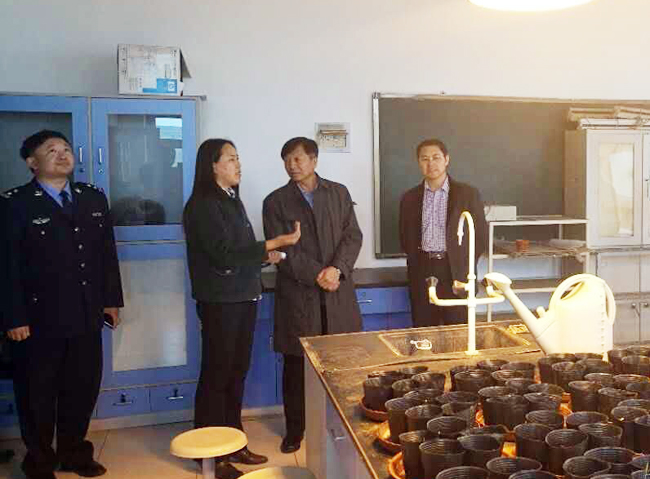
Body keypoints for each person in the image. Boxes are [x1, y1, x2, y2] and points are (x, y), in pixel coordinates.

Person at [1, 130, 124, 479]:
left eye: (66, 149)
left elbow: (106, 254)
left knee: (81, 388)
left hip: (86, 313)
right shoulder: (15, 203)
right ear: (32, 162)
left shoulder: (92, 197)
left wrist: (112, 301)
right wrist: (13, 316)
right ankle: (39, 462)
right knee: (37, 395)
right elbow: (6, 265)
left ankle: (74, 453)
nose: (62, 154)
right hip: (37, 320)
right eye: (51, 150)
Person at [183, 139, 301, 479]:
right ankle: (210, 454)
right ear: (212, 165)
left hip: (243, 297)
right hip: (221, 301)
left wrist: (265, 256)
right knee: (217, 375)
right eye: (231, 159)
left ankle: (233, 442)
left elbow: (240, 251)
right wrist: (276, 242)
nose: (238, 165)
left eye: (238, 158)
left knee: (236, 373)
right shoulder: (203, 205)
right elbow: (222, 255)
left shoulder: (231, 199)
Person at [262, 137, 363, 454]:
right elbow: (281, 250)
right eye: (287, 160)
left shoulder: (338, 193)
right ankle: (295, 430)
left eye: (298, 159)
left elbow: (352, 236)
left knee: (342, 361)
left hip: (337, 291)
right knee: (296, 367)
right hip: (299, 294)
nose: (292, 165)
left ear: (314, 160)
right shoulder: (275, 201)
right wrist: (319, 274)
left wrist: (337, 269)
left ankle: (347, 424)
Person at [399, 138, 487, 328]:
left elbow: (480, 236)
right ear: (418, 162)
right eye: (425, 159)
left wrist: (464, 267)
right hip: (422, 269)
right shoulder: (409, 198)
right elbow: (405, 237)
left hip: (455, 271)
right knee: (424, 329)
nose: (431, 163)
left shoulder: (467, 194)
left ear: (446, 159)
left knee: (458, 330)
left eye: (436, 157)